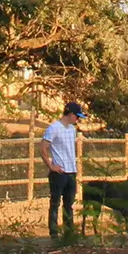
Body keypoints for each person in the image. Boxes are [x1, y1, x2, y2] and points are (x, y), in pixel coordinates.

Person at [39, 102, 86, 241]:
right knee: (55, 203)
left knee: (69, 204)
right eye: (77, 116)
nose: (78, 119)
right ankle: (53, 232)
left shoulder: (72, 129)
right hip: (59, 172)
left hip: (71, 171)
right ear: (70, 114)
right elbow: (43, 148)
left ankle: (68, 231)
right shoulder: (54, 128)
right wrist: (51, 166)